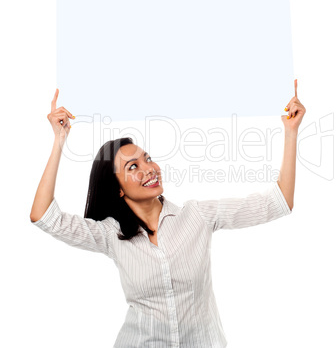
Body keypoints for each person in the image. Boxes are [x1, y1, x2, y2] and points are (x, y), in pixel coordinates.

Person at [30, 80, 306, 347]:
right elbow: (44, 216)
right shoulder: (110, 234)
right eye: (132, 167)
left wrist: (291, 132)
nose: (148, 168)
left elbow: (278, 202)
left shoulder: (197, 216)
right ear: (118, 191)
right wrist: (60, 140)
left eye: (147, 159)